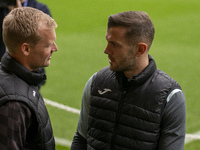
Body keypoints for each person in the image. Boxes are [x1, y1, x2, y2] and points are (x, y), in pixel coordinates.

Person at [71, 11, 186, 150]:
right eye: (107, 41)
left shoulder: (171, 97)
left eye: (114, 44)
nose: (106, 50)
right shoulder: (96, 82)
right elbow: (81, 139)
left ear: (140, 49)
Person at [0, 7, 58, 149]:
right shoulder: (15, 104)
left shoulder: (21, 80)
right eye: (48, 44)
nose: (55, 48)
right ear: (26, 49)